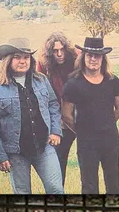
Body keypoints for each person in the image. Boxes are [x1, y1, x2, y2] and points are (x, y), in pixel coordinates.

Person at [0, 37, 64, 194]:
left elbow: (53, 105)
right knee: (22, 193)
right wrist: (0, 156)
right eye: (17, 57)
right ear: (7, 60)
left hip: (44, 146)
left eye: (26, 57)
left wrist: (55, 130)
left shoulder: (41, 80)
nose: (22, 61)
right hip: (16, 153)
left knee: (55, 189)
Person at [61, 37, 119, 194]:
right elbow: (66, 115)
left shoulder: (112, 80)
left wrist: (107, 123)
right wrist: (83, 130)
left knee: (113, 183)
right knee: (89, 186)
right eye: (89, 55)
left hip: (110, 140)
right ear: (83, 57)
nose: (93, 59)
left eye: (97, 56)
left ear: (103, 58)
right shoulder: (73, 83)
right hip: (87, 142)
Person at [36, 32, 78, 187]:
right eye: (55, 51)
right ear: (49, 53)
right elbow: (42, 94)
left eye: (62, 50)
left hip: (80, 114)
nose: (59, 54)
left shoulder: (76, 61)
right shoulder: (43, 66)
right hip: (59, 120)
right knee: (60, 159)